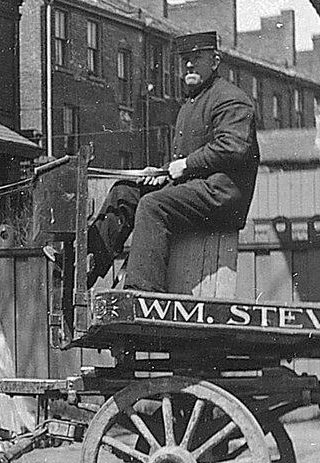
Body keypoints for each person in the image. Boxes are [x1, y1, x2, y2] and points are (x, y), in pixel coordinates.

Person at [87, 31, 260, 292]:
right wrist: (163, 173)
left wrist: (186, 165)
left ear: (214, 61)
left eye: (197, 58)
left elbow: (234, 147)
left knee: (153, 205)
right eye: (185, 59)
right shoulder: (193, 101)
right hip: (196, 188)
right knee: (125, 192)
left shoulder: (230, 98)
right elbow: (190, 161)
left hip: (222, 196)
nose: (189, 64)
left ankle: (143, 293)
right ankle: (85, 265)